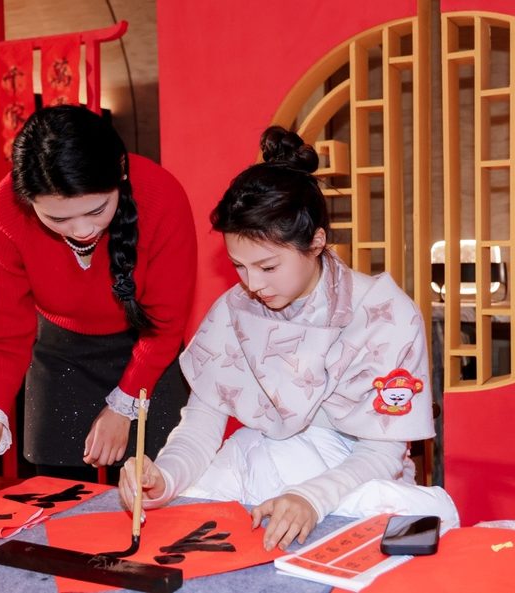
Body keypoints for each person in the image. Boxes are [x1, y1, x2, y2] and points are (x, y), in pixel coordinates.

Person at [118, 126, 458, 551]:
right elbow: (201, 428)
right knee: (197, 503)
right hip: (263, 469)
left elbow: (382, 454)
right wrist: (164, 476)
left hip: (350, 482)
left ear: (316, 241)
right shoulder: (233, 311)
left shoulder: (383, 314)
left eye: (268, 267)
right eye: (239, 266)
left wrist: (310, 497)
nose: (252, 284)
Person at [0, 105, 197, 481]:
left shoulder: (161, 196)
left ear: (121, 172)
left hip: (149, 350)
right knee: (57, 495)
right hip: (60, 352)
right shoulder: (1, 219)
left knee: (153, 487)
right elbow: (0, 334)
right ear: (27, 199)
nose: (82, 231)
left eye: (97, 210)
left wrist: (125, 405)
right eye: (58, 218)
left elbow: (165, 321)